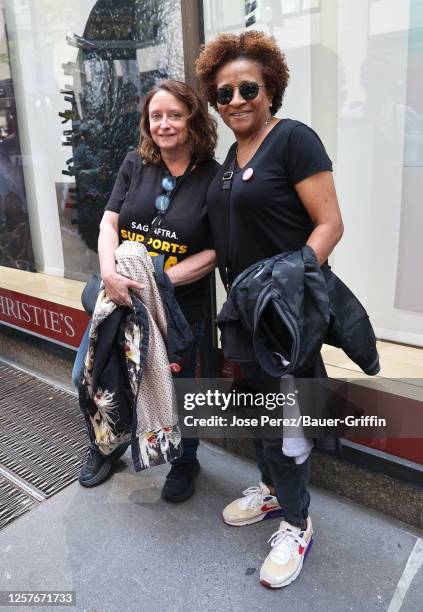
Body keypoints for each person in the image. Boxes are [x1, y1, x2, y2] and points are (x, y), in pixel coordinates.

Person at [196, 31, 344, 589]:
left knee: (287, 424)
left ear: (271, 88)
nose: (236, 100)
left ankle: (299, 523)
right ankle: (273, 494)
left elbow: (330, 225)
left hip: (281, 315)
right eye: (223, 93)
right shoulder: (231, 158)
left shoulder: (293, 141)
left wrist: (288, 289)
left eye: (247, 88)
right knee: (258, 416)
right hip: (242, 314)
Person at [74, 79, 219, 501]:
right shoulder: (135, 163)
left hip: (177, 306)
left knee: (179, 388)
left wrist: (158, 283)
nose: (165, 124)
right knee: (93, 373)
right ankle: (105, 446)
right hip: (118, 297)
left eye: (175, 115)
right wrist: (110, 273)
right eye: (157, 116)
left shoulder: (212, 177)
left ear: (193, 120)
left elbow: (214, 251)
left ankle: (184, 460)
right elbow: (108, 224)